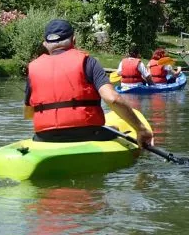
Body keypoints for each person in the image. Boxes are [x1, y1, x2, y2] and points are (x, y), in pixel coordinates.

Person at [23, 19, 153, 148]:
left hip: (45, 137)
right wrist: (141, 129)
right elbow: (112, 99)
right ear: (74, 40)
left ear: (45, 44)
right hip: (88, 134)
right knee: (115, 128)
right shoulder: (88, 62)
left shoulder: (33, 68)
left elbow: (28, 114)